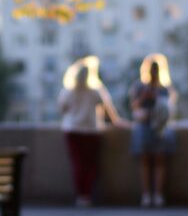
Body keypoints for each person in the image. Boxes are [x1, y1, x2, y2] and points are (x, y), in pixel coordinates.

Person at [58, 56, 124, 206]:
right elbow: (109, 110)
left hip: (73, 130)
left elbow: (62, 109)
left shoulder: (68, 91)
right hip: (91, 131)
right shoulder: (95, 90)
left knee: (78, 164)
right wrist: (118, 122)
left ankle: (80, 195)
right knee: (90, 164)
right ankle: (87, 195)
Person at [129, 53, 177, 207]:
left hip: (160, 127)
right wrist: (144, 97)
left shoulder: (165, 88)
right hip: (144, 126)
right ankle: (146, 194)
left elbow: (169, 109)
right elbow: (133, 106)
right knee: (144, 161)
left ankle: (158, 194)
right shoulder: (139, 86)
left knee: (159, 161)